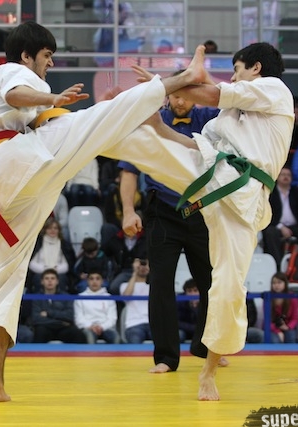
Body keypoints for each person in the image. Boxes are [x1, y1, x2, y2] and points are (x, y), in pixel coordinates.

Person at [0, 22, 292, 402]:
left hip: (6, 194)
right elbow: (18, 93)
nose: (50, 63)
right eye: (48, 56)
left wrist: (155, 105)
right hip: (10, 166)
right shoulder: (9, 71)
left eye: (237, 68)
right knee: (98, 123)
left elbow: (206, 107)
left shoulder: (271, 90)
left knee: (8, 281)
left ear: (256, 68)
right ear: (26, 55)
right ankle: (149, 100)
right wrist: (161, 89)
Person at [119, 69, 219, 373]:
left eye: (186, 95)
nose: (180, 101)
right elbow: (129, 171)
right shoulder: (151, 120)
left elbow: (227, 99)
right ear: (166, 96)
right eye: (174, 95)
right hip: (163, 210)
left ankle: (207, 347)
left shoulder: (208, 119)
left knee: (212, 282)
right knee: (160, 283)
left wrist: (201, 79)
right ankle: (165, 357)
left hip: (202, 210)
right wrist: (128, 210)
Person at [262, 167, 298, 267]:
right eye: (283, 174)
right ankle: (277, 265)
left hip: (294, 226)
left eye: (288, 175)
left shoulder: (296, 191)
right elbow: (267, 212)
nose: (286, 177)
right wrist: (281, 227)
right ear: (277, 177)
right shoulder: (271, 192)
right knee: (270, 232)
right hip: (276, 225)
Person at [30, 269, 86, 343]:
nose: (50, 281)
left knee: (78, 334)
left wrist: (48, 313)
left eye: (52, 278)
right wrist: (60, 322)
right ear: (42, 282)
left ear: (57, 281)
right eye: (47, 278)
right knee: (39, 331)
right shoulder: (36, 297)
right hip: (46, 328)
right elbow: (36, 319)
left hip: (63, 329)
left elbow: (69, 316)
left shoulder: (66, 296)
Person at [28, 217, 75, 293]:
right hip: (40, 272)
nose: (53, 230)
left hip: (58, 272)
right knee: (37, 278)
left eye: (55, 228)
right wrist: (45, 270)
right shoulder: (37, 243)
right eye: (50, 228)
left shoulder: (64, 244)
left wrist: (54, 270)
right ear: (45, 230)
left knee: (62, 279)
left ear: (59, 230)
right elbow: (31, 264)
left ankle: (61, 299)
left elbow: (67, 265)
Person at [73, 270, 119, 344]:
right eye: (91, 279)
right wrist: (91, 326)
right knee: (89, 337)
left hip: (106, 328)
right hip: (88, 328)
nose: (94, 282)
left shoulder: (109, 297)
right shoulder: (80, 297)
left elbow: (112, 318)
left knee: (116, 337)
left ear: (102, 281)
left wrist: (101, 327)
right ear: (87, 281)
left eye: (97, 279)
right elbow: (79, 319)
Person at [120, 258, 151, 344]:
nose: (142, 267)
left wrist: (151, 268)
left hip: (154, 324)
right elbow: (126, 296)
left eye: (145, 264)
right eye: (140, 264)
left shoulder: (154, 286)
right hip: (134, 324)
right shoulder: (124, 285)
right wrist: (135, 273)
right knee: (135, 341)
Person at [269, 272, 298, 344]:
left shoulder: (292, 298)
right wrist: (278, 331)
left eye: (279, 282)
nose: (276, 285)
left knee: (291, 337)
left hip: (288, 326)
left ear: (285, 283)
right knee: (275, 340)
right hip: (272, 328)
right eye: (274, 283)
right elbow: (267, 321)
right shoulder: (268, 298)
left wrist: (288, 327)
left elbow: (295, 319)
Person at [177, 279, 201, 343]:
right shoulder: (179, 302)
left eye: (195, 290)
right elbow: (176, 322)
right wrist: (194, 328)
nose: (192, 294)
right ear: (185, 293)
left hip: (201, 331)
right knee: (179, 334)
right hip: (185, 330)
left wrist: (195, 308)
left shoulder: (206, 302)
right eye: (189, 291)